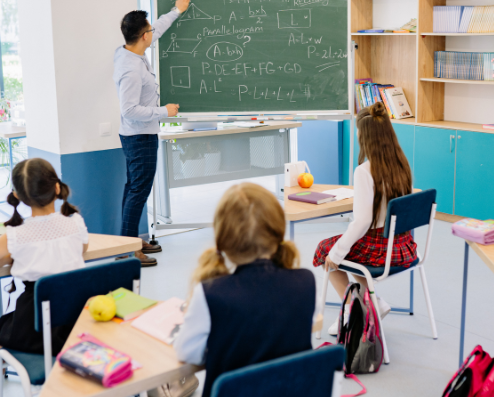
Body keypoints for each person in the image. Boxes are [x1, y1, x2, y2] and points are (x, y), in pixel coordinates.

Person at [173, 183, 315, 397]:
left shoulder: (210, 293)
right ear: (278, 233)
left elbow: (187, 352)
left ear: (222, 240)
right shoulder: (307, 281)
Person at [0, 158, 88, 397]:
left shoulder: (15, 235)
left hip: (34, 330)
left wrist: (9, 255)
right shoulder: (75, 221)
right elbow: (83, 250)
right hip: (78, 325)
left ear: (19, 197)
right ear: (57, 188)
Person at [313, 102, 417, 336]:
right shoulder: (402, 164)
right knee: (354, 248)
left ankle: (354, 309)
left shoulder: (364, 171)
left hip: (380, 251)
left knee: (325, 251)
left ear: (365, 136)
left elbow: (361, 222)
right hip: (402, 246)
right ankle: (374, 301)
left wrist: (335, 254)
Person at [114, 0, 191, 267]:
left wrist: (176, 11)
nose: (152, 33)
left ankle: (131, 240)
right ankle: (129, 249)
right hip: (139, 136)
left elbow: (157, 28)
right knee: (138, 191)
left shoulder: (130, 50)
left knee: (134, 188)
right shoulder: (131, 69)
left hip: (137, 134)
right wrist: (164, 111)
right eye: (149, 30)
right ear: (143, 36)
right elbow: (129, 109)